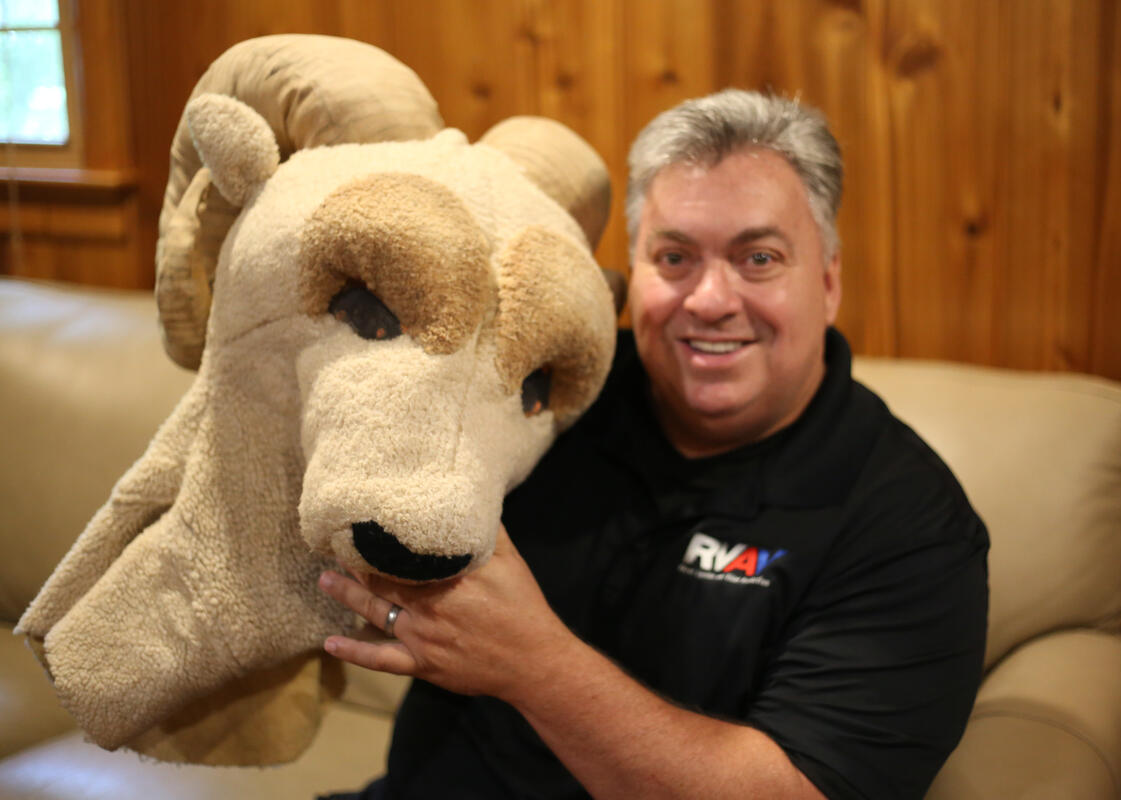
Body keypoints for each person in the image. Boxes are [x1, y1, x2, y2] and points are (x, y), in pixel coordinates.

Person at [317, 89, 989, 799]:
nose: (709, 299)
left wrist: (537, 666)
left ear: (826, 281)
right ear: (630, 275)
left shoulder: (910, 525)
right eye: (674, 257)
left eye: (758, 258)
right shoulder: (552, 391)